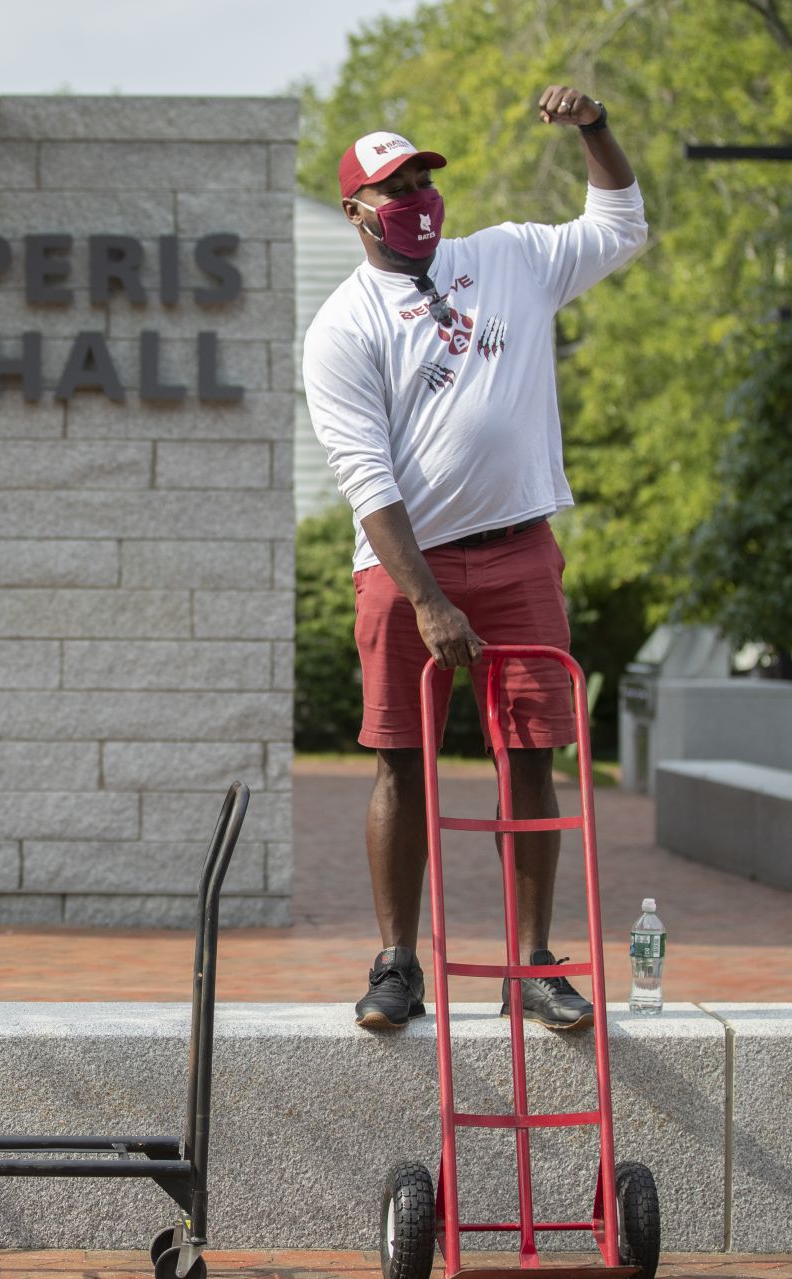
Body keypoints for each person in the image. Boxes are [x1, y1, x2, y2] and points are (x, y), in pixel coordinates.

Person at [302, 87, 647, 1032]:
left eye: (420, 177)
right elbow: (363, 475)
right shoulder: (342, 325)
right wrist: (424, 599)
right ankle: (396, 964)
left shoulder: (507, 259)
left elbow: (618, 225)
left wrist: (593, 130)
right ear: (356, 212)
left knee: (531, 757)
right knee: (399, 761)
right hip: (407, 571)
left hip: (519, 552)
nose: (413, 196)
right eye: (391, 186)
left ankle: (531, 963)